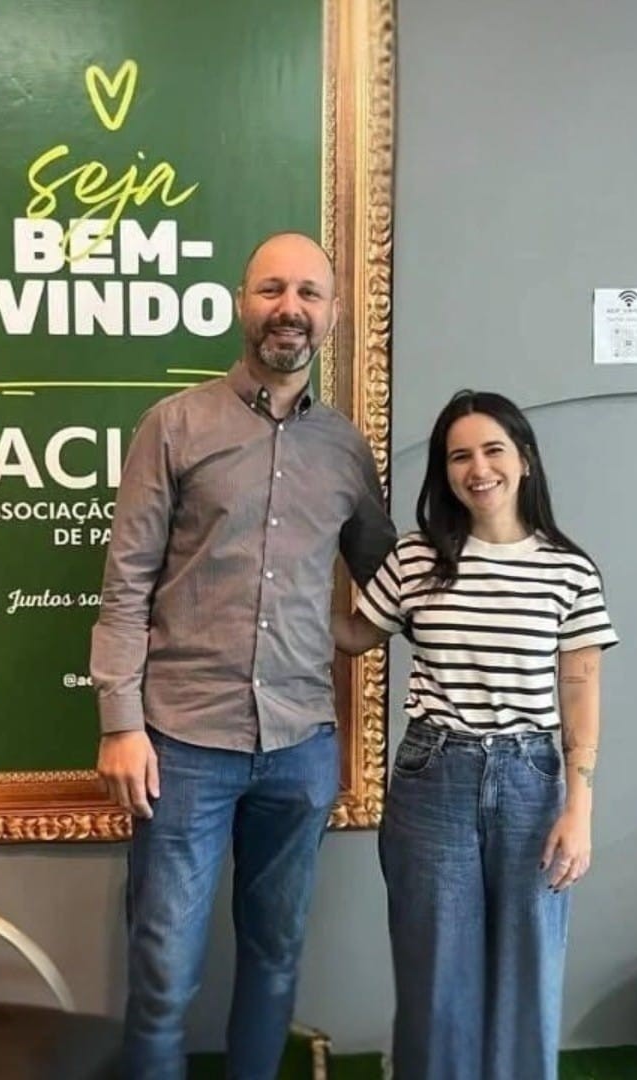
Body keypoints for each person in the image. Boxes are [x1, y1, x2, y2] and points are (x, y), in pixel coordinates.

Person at [90, 232, 397, 1080]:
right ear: (241, 303)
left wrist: (486, 551)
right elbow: (125, 583)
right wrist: (120, 723)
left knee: (275, 958)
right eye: (271, 289)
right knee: (162, 971)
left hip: (301, 747)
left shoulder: (346, 450)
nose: (288, 308)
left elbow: (387, 576)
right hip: (181, 746)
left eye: (308, 293)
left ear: (331, 315)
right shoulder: (175, 425)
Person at [334, 389, 618, 1080]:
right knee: (436, 977)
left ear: (524, 460)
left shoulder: (569, 570)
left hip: (532, 784)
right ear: (445, 471)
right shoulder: (416, 559)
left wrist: (579, 809)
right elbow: (351, 635)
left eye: (493, 450)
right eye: (459, 456)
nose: (478, 468)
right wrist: (291, 570)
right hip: (434, 779)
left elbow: (580, 692)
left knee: (530, 967)